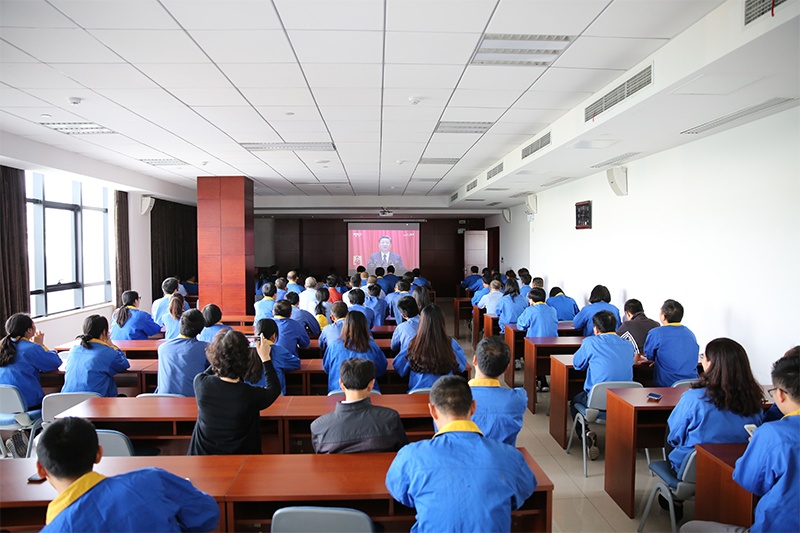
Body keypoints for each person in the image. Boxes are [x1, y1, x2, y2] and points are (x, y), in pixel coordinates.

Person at [385, 375, 536, 532]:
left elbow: (400, 493)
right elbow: (523, 491)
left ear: (432, 410)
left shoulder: (410, 456)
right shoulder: (510, 456)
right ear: (473, 407)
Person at [680, 351, 800, 533]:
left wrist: (757, 448)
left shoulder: (772, 435)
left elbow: (749, 482)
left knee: (689, 528)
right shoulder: (754, 400)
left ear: (781, 395)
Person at [35, 417, 219, 532]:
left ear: (41, 469)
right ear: (99, 454)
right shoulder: (151, 479)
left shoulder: (57, 527)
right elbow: (207, 514)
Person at [666, 338, 764, 474]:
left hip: (694, 470)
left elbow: (674, 436)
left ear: (711, 363)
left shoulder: (694, 398)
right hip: (739, 469)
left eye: (703, 356)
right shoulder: (753, 398)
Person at [189, 329, 281, 455]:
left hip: (203, 457)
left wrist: (222, 351)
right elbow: (274, 389)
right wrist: (265, 358)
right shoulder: (250, 395)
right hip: (241, 459)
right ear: (246, 359)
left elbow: (213, 368)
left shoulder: (201, 383)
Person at [570, 311, 635, 460]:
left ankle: (585, 434)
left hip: (597, 403)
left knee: (574, 401)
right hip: (625, 402)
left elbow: (577, 365)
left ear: (596, 329)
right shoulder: (628, 344)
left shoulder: (590, 343)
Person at [311, 358, 408, 454]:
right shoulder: (390, 419)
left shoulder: (318, 427)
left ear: (341, 384)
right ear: (371, 385)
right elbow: (402, 452)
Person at [393, 304, 467, 392]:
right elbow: (462, 366)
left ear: (421, 323)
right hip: (445, 394)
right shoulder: (450, 343)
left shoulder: (413, 344)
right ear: (442, 322)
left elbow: (398, 367)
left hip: (417, 394)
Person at [469, 337, 527, 445]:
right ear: (507, 368)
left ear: (474, 360)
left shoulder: (455, 398)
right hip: (503, 455)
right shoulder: (517, 399)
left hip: (467, 454)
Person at [0, 313, 62, 408]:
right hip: (27, 403)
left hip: (4, 405)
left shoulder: (3, 346)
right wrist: (41, 345)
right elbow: (55, 362)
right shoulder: (31, 348)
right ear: (29, 330)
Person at [62, 315, 129, 397]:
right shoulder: (107, 352)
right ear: (104, 332)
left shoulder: (74, 350)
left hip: (66, 400)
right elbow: (124, 364)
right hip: (95, 402)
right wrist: (112, 345)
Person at [322, 311, 387, 394]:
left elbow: (327, 368)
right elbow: (381, 369)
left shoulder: (333, 346)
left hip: (337, 392)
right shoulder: (372, 346)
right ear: (365, 326)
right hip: (368, 392)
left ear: (345, 326)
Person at [640, 299, 700, 387]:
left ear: (663, 317)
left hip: (667, 386)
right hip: (691, 384)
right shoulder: (690, 334)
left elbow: (649, 355)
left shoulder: (656, 333)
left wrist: (657, 360)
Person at [156, 309, 209, 397]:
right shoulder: (205, 348)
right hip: (191, 399)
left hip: (163, 399)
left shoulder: (162, 348)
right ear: (201, 330)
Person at [254, 318, 300, 395]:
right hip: (275, 396)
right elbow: (296, 363)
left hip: (250, 397)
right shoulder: (279, 351)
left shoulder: (246, 351)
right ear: (274, 336)